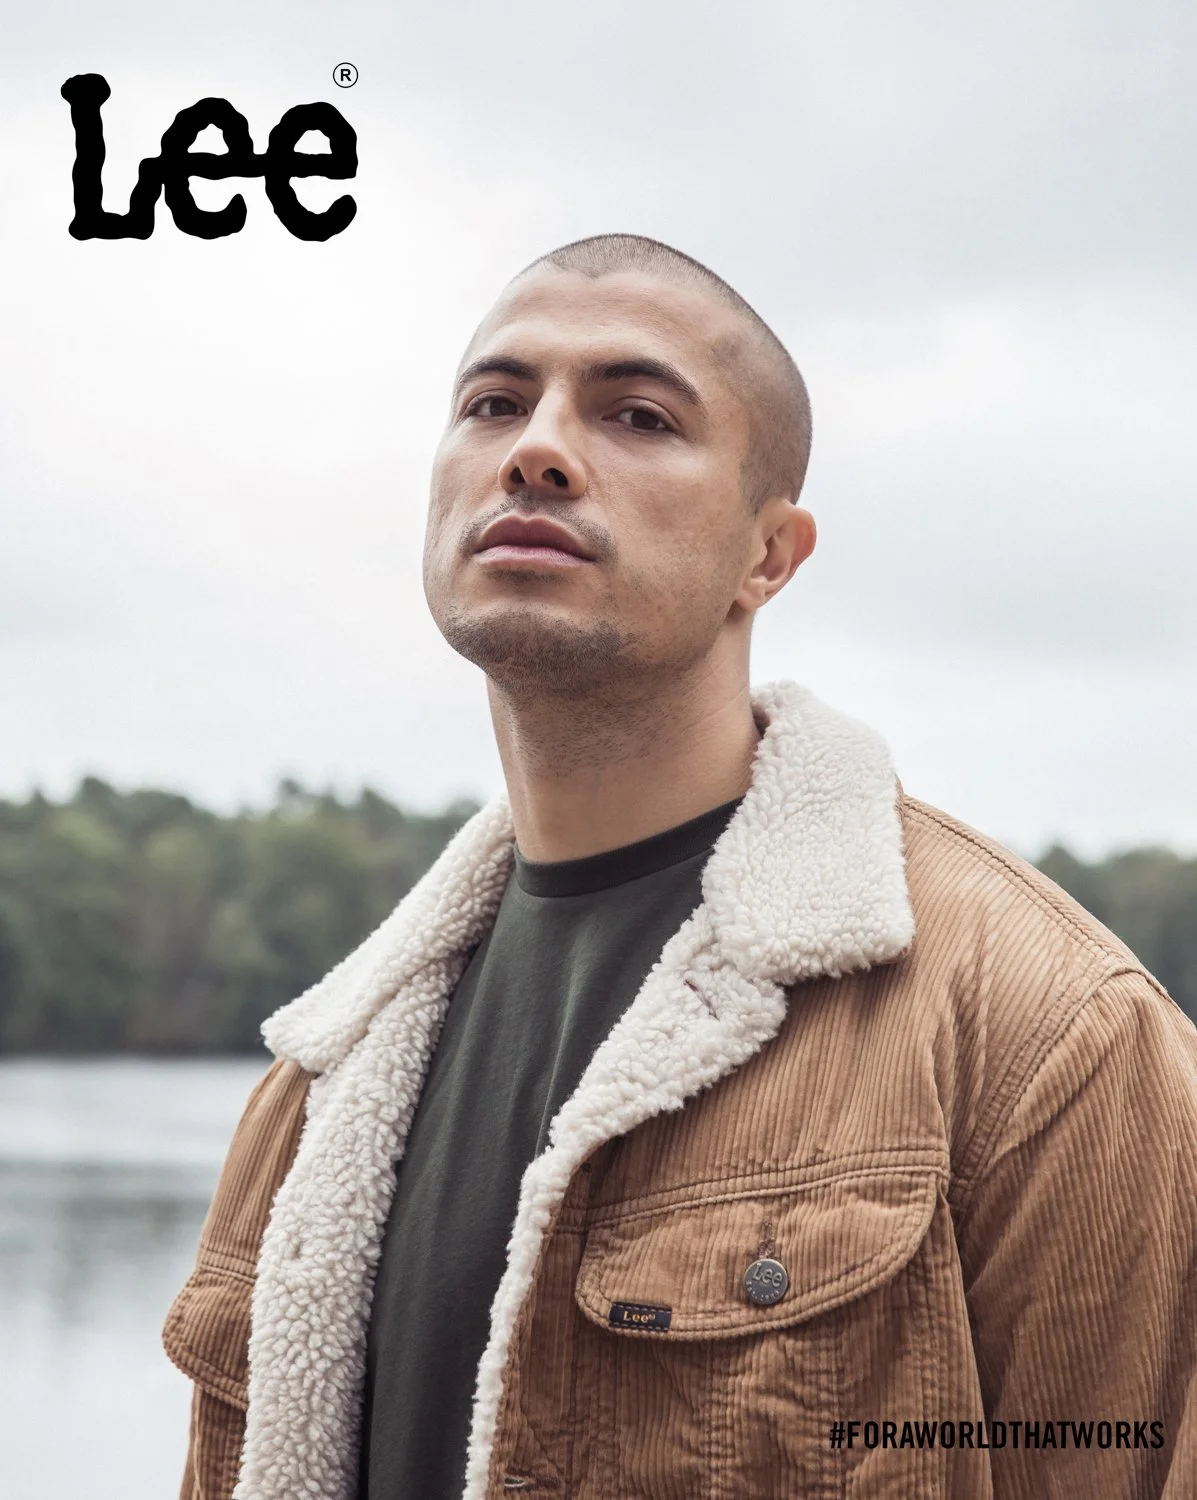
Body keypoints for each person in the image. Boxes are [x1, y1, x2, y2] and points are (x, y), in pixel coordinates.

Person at [162, 233, 1197, 1500]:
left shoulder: (1048, 1031)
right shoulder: (320, 1084)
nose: (535, 448)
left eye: (638, 414)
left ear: (770, 557)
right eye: (494, 402)